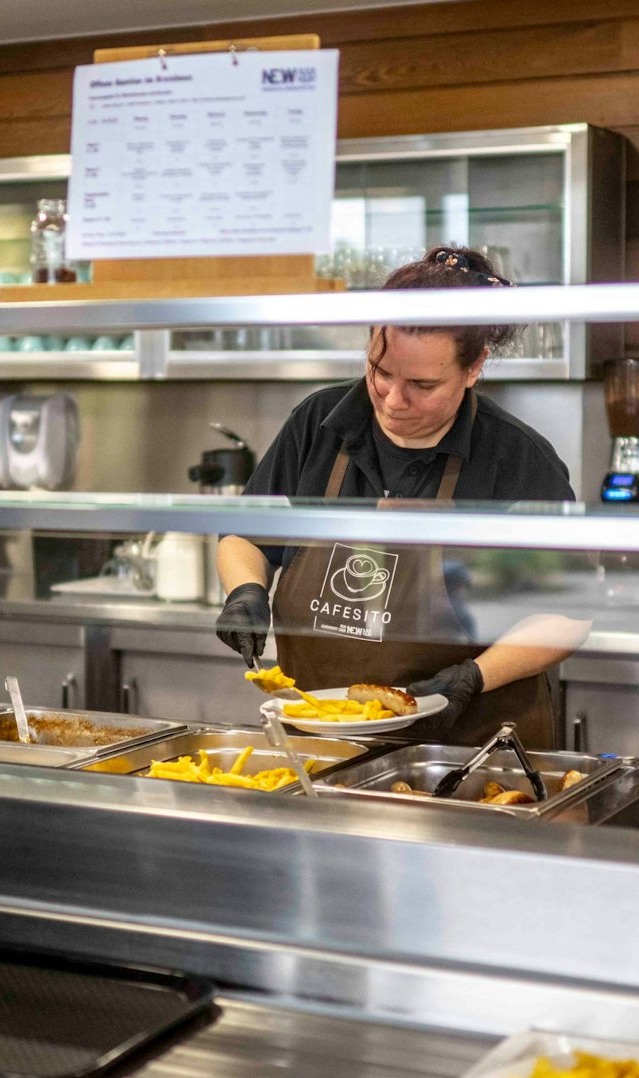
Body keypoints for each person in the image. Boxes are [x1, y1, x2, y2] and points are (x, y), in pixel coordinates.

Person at [213, 247, 588, 748]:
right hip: (324, 745)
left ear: (474, 367)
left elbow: (568, 614)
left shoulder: (514, 458)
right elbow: (246, 535)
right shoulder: (319, 423)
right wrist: (245, 592)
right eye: (380, 373)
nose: (393, 400)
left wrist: (473, 678)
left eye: (422, 384)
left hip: (463, 753)